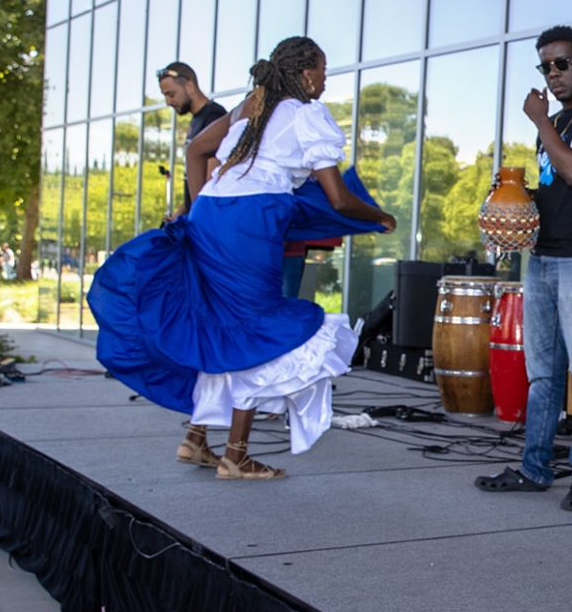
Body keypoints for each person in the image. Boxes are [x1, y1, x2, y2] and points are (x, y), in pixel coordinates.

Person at [91, 37, 396, 479]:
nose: (326, 79)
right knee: (258, 328)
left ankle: (196, 439)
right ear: (306, 72)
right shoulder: (309, 116)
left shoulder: (252, 107)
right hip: (251, 222)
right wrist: (380, 216)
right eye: (324, 70)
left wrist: (199, 215)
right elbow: (338, 198)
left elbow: (195, 151)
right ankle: (236, 455)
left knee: (222, 323)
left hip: (214, 213)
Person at [474, 26, 572, 511]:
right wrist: (509, 209)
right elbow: (555, 188)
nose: (553, 74)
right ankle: (534, 469)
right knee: (543, 374)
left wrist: (541, 121)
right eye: (545, 66)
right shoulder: (555, 123)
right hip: (542, 256)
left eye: (561, 64)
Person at [157, 62, 228, 207]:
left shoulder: (214, 117)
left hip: (205, 215)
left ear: (189, 86)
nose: (168, 102)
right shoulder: (196, 120)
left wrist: (198, 217)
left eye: (171, 94)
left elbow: (209, 183)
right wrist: (179, 214)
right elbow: (192, 183)